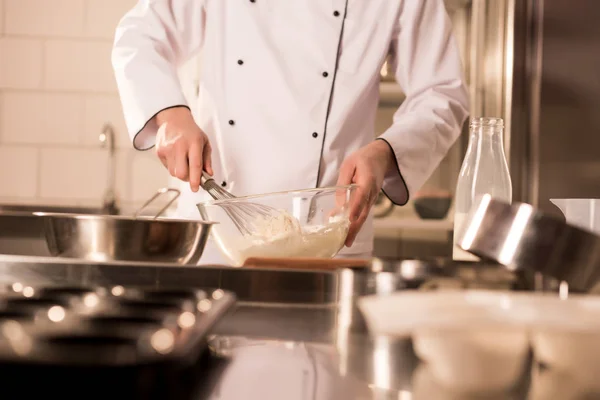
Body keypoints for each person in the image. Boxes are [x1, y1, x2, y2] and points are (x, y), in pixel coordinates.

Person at [111, 0, 469, 264]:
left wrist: (385, 152)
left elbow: (442, 94)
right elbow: (140, 36)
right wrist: (170, 114)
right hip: (215, 235)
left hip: (328, 236)